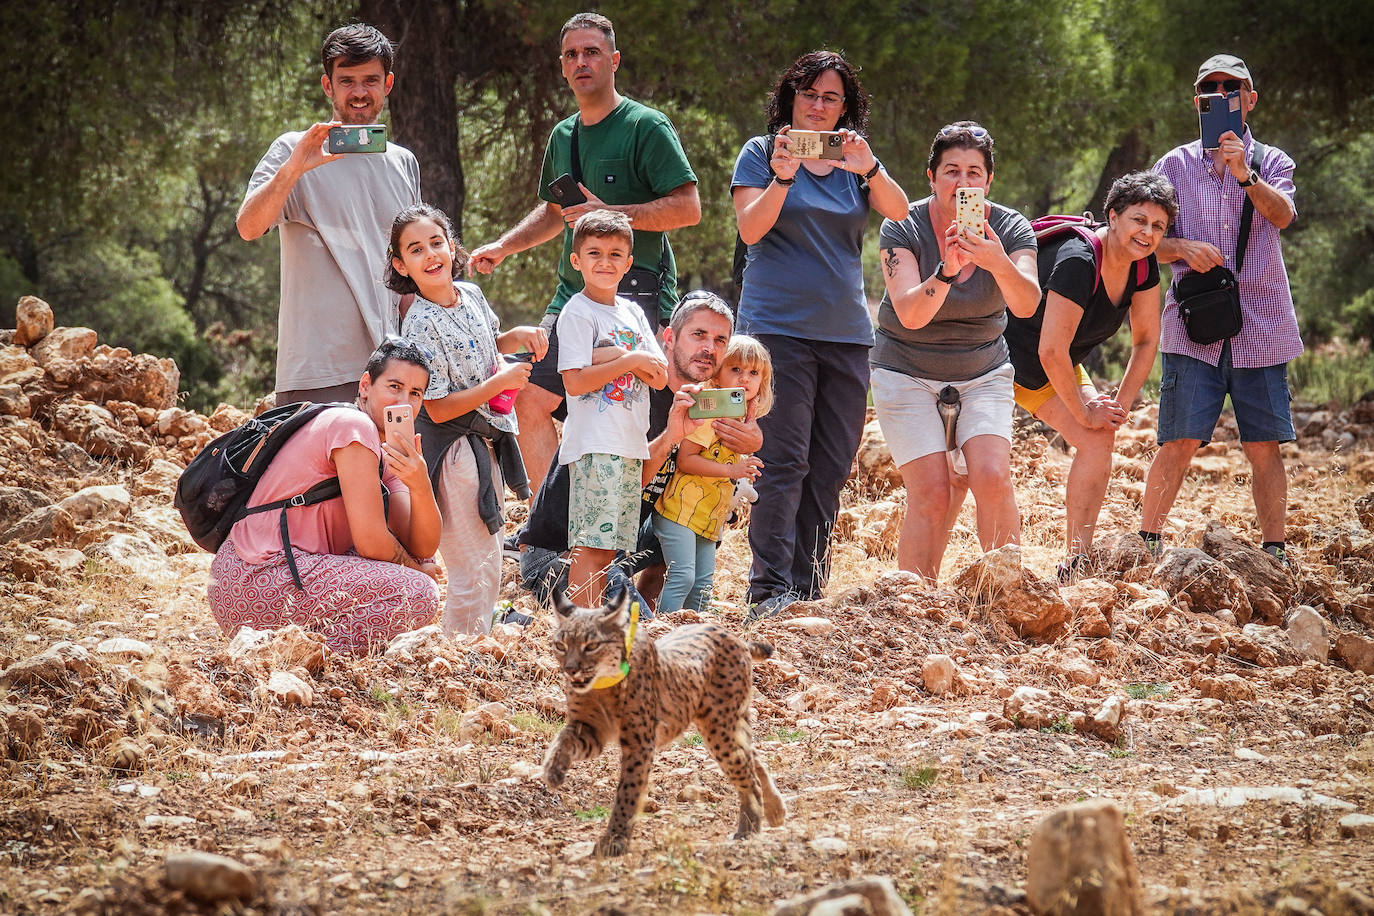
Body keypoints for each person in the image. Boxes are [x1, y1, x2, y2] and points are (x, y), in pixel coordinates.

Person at [468, 12, 700, 494]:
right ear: (562, 66)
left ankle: (636, 532)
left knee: (639, 423)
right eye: (571, 54)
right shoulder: (564, 136)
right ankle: (554, 522)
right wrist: (504, 247)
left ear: (614, 60)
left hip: (636, 300)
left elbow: (688, 208)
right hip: (572, 299)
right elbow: (556, 212)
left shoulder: (645, 126)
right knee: (528, 396)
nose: (581, 62)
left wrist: (610, 213)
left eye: (592, 52)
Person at [732, 50, 909, 619]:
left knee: (831, 464)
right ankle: (768, 590)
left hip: (846, 334)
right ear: (790, 98)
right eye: (808, 94)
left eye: (830, 97)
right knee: (784, 461)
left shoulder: (855, 163)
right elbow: (750, 228)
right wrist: (783, 177)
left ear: (845, 107)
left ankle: (808, 587)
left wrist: (870, 167)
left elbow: (899, 212)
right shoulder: (761, 153)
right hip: (776, 330)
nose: (817, 105)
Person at [1140, 54, 1300, 566]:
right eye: (1212, 88)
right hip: (1192, 327)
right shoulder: (1172, 167)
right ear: (1199, 102)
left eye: (1234, 87)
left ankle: (1274, 552)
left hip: (1263, 325)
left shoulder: (1272, 162)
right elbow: (1140, 242)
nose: (1223, 94)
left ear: (1250, 100)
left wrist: (1244, 174)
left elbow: (1283, 215)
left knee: (1264, 445)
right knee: (1178, 440)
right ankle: (1146, 543)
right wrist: (1182, 248)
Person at [869, 122, 1041, 584]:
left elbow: (1027, 303)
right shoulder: (902, 225)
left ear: (989, 181)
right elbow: (910, 314)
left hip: (982, 370)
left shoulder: (1011, 227)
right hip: (905, 368)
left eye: (973, 173)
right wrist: (946, 271)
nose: (962, 183)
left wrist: (997, 261)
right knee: (932, 492)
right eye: (951, 171)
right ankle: (915, 602)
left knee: (991, 475)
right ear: (931, 177)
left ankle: (1007, 594)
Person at [518, 291, 761, 612]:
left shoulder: (703, 403)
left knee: (693, 515)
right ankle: (640, 614)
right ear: (669, 339)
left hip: (621, 542)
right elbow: (624, 484)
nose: (709, 348)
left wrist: (753, 438)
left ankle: (655, 605)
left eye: (720, 340)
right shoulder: (629, 389)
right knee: (640, 635)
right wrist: (670, 437)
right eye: (698, 335)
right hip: (564, 549)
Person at [208, 339, 442, 654]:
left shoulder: (381, 446)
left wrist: (420, 483)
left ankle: (302, 649)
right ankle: (302, 655)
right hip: (256, 577)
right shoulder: (353, 426)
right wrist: (416, 571)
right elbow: (371, 541)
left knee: (419, 562)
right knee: (419, 592)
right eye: (395, 387)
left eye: (415, 393)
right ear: (365, 386)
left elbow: (423, 546)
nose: (404, 402)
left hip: (269, 578)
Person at [1004, 172, 1177, 581]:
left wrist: (1117, 407)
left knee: (1099, 439)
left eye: (1158, 226)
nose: (1147, 233)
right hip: (1003, 362)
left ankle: (1076, 562)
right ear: (1113, 216)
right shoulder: (1079, 262)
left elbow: (1146, 341)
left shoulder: (1143, 265)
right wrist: (1083, 412)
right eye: (1139, 220)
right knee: (965, 470)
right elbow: (1050, 349)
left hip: (1055, 365)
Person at [236, 24, 421, 406]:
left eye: (370, 80)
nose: (359, 92)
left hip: (390, 370)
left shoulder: (404, 162)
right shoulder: (294, 149)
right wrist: (294, 168)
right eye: (346, 81)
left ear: (388, 84)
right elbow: (249, 227)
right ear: (328, 85)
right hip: (318, 368)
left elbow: (408, 271)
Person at [388, 204, 548, 634]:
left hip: (486, 439)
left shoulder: (471, 294)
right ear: (401, 265)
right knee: (470, 567)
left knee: (489, 561)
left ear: (451, 246)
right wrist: (501, 383)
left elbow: (489, 342)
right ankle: (461, 653)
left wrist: (516, 337)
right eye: (416, 250)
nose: (430, 255)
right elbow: (438, 406)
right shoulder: (419, 323)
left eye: (436, 243)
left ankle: (473, 648)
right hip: (453, 449)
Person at [556, 210, 668, 605]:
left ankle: (594, 623)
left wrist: (611, 355)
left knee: (609, 549)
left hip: (629, 444)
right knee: (590, 544)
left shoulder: (632, 312)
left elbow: (660, 375)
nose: (605, 262)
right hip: (595, 443)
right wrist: (629, 358)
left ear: (628, 262)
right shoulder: (577, 312)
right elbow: (574, 381)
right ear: (576, 261)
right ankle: (579, 625)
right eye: (595, 253)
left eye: (615, 254)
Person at [653, 336, 772, 614]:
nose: (745, 378)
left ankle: (695, 635)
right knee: (683, 577)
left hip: (708, 515)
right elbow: (686, 460)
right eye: (736, 369)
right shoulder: (709, 412)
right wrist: (732, 470)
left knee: (703, 587)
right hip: (680, 511)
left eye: (754, 373)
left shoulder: (739, 416)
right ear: (717, 373)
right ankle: (662, 630)